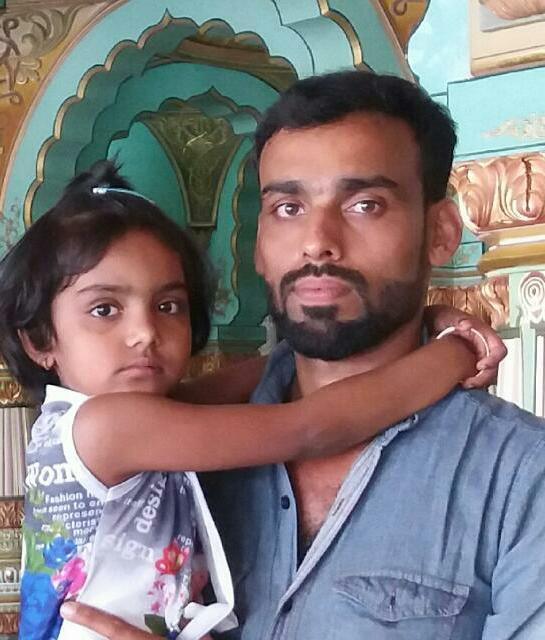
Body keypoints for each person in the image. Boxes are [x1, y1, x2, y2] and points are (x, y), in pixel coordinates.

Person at [61, 70, 545, 640]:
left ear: (439, 232)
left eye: (364, 204)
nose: (317, 241)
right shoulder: (175, 459)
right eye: (288, 208)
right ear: (258, 244)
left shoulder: (521, 477)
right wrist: (452, 349)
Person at [0, 162, 494, 640]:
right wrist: (454, 354)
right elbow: (309, 428)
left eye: (168, 305)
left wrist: (420, 323)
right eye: (104, 309)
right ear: (39, 340)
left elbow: (286, 364)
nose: (145, 332)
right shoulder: (108, 426)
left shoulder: (122, 420)